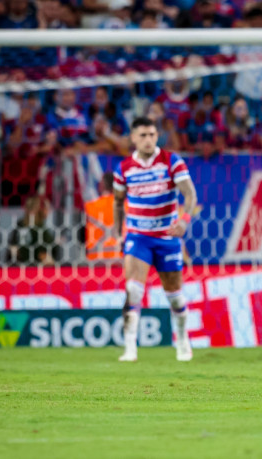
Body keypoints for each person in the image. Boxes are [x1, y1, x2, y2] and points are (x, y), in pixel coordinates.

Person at [113, 117, 198, 363]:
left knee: (175, 296)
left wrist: (184, 221)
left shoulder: (171, 161)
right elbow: (118, 201)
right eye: (143, 135)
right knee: (133, 290)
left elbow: (189, 193)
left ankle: (182, 340)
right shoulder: (125, 168)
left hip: (166, 237)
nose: (148, 139)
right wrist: (119, 232)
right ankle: (130, 348)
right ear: (133, 138)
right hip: (138, 237)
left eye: (152, 134)